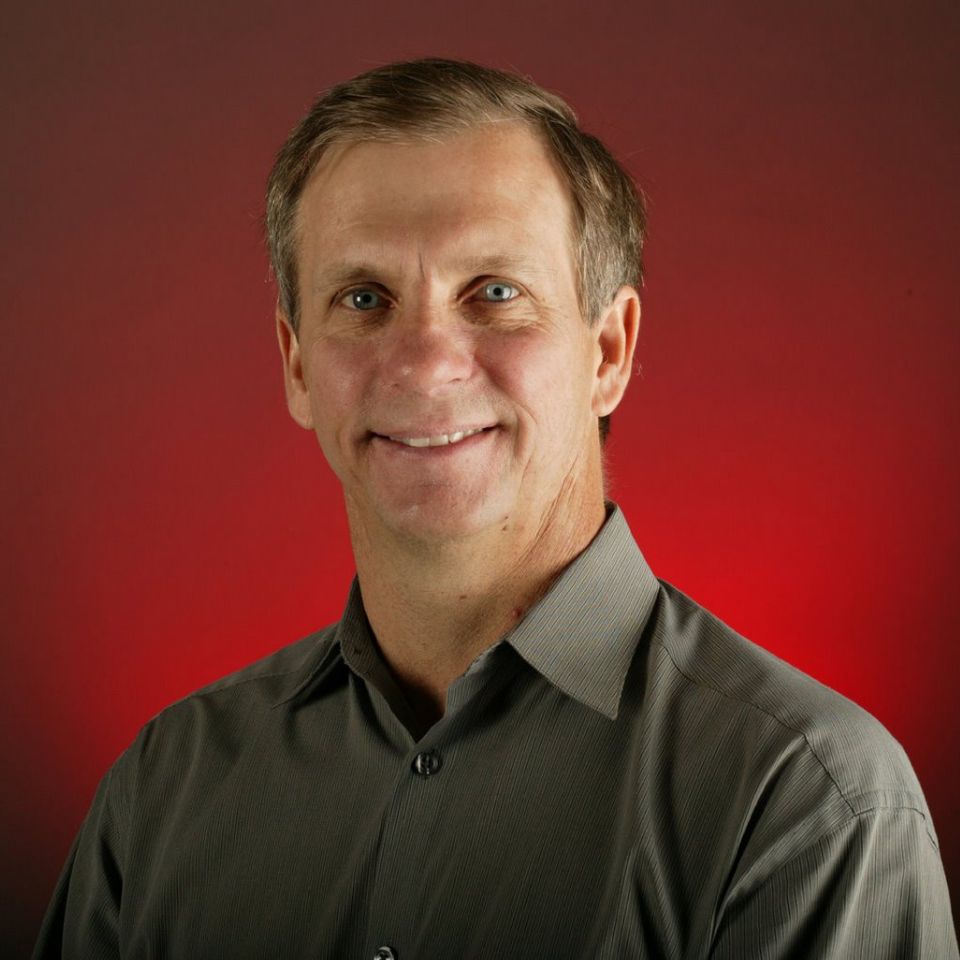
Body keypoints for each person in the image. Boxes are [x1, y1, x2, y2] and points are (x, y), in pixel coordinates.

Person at [35, 58, 957, 959]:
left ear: (608, 351)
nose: (425, 362)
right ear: (298, 365)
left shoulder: (804, 802)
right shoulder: (166, 787)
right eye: (365, 298)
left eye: (496, 294)